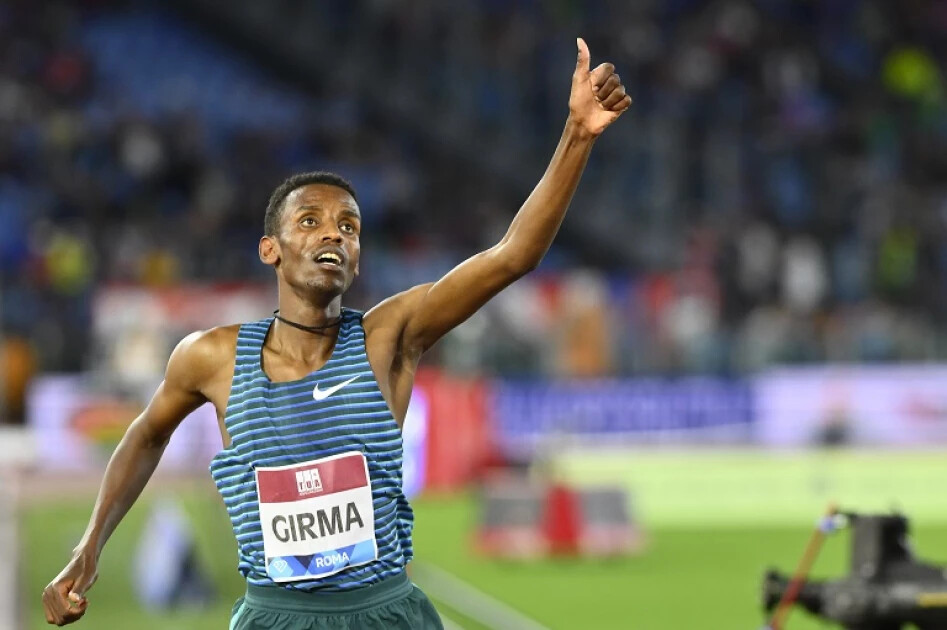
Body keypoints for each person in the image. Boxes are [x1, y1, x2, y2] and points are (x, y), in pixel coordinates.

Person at [42, 37, 631, 629]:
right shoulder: (211, 358)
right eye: (310, 221)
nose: (334, 234)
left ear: (358, 256)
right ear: (270, 250)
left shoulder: (388, 338)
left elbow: (512, 255)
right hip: (274, 617)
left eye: (349, 227)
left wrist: (577, 135)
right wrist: (88, 548)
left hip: (384, 615)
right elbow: (146, 436)